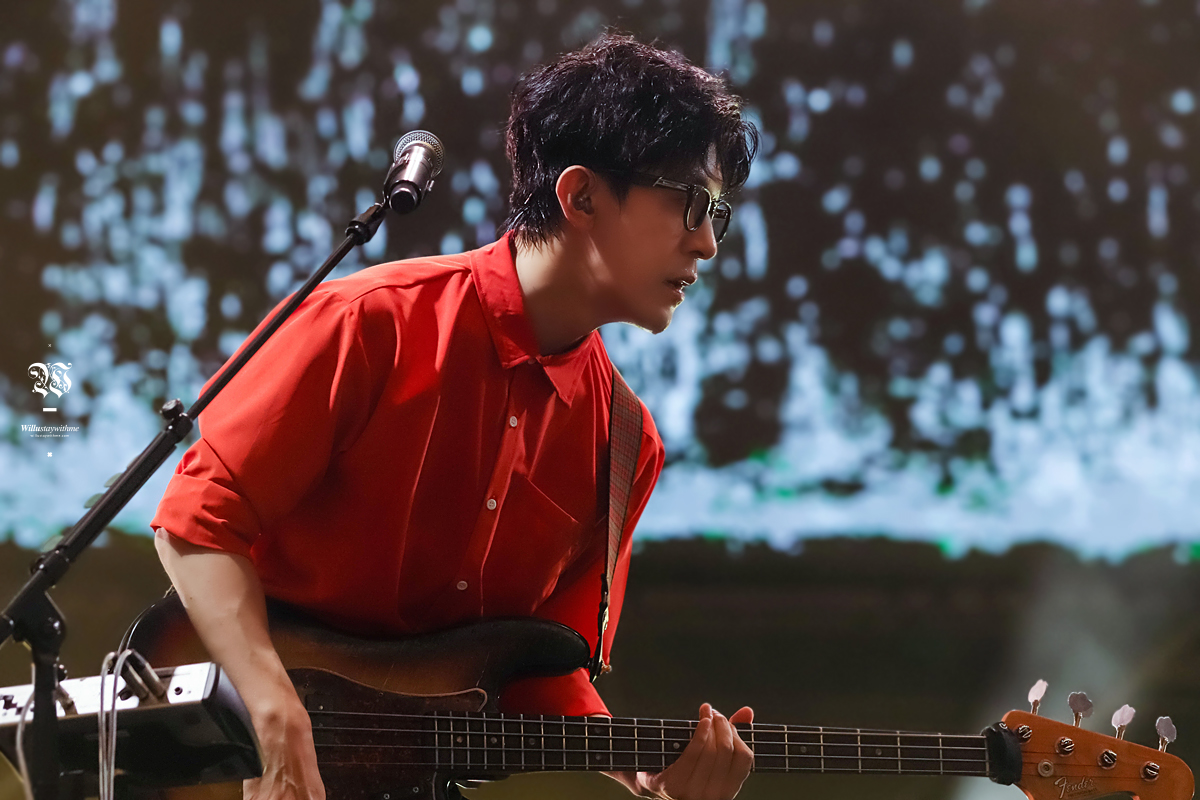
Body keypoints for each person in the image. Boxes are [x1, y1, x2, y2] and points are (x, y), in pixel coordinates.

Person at [150, 32, 759, 800]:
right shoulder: (369, 322)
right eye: (690, 204)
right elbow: (197, 524)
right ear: (580, 197)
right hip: (227, 754)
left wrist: (645, 773)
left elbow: (541, 669)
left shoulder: (625, 445)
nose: (706, 243)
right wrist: (275, 713)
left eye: (717, 215)